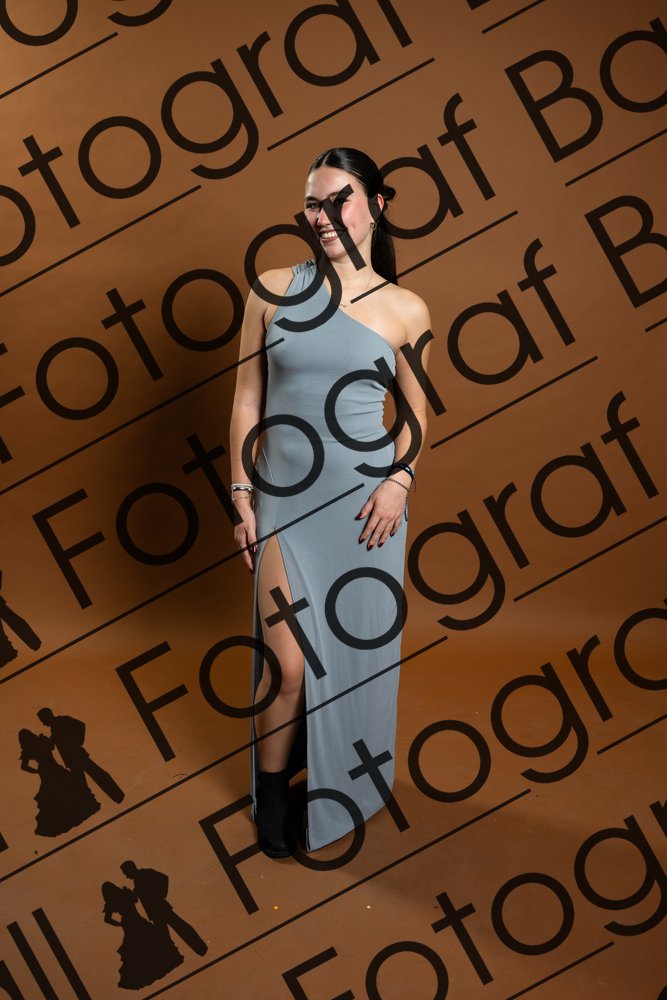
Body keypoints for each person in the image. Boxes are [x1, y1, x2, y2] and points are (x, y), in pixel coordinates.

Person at [229, 147, 431, 857]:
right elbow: (247, 399)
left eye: (338, 199)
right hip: (285, 506)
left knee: (353, 664)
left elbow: (416, 412)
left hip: (365, 511)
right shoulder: (271, 289)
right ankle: (273, 790)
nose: (322, 215)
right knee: (286, 667)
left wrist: (399, 481)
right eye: (312, 203)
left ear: (376, 205)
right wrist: (241, 491)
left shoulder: (405, 308)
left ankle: (340, 781)